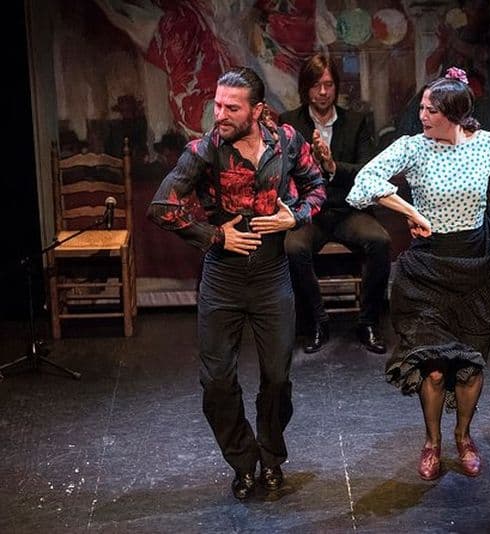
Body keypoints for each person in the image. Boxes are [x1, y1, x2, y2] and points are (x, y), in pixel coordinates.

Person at [346, 67, 490, 480]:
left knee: (470, 366)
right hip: (428, 266)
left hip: (477, 265)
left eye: (432, 110)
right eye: (422, 107)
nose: (423, 116)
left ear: (456, 114)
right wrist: (411, 211)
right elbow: (365, 180)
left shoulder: (489, 144)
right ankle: (432, 442)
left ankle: (463, 437)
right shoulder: (414, 148)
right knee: (435, 366)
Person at [147, 67, 326, 499]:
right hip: (224, 278)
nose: (220, 114)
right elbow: (160, 207)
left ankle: (270, 456)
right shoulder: (204, 150)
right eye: (217, 104)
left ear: (257, 110)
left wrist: (295, 215)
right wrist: (215, 235)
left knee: (278, 379)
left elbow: (317, 185)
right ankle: (243, 460)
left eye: (231, 107)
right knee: (217, 382)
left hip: (271, 275)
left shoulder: (286, 141)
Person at [279, 54, 391, 354]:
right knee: (292, 248)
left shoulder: (356, 122)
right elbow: (281, 172)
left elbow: (368, 171)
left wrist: (331, 165)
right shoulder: (289, 122)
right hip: (309, 213)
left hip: (347, 210)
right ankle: (317, 321)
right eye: (316, 85)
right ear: (306, 88)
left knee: (380, 241)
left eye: (328, 84)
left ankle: (368, 322)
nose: (323, 92)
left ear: (336, 87)